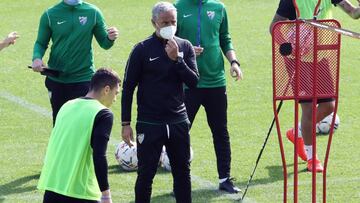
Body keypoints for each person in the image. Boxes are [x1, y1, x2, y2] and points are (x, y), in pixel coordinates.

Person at [121, 2, 199, 202]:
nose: (170, 26)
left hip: (178, 121)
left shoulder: (185, 46)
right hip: (150, 122)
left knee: (182, 173)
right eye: (165, 22)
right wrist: (125, 123)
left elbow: (193, 81)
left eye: (173, 21)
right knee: (146, 174)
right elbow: (128, 87)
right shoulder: (141, 49)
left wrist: (177, 60)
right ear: (154, 22)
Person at [270, 0, 360, 172]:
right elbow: (274, 27)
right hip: (297, 60)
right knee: (309, 108)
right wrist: (287, 46)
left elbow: (354, 13)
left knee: (329, 106)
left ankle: (296, 132)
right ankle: (312, 158)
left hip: (321, 57)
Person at [174, 0, 243, 193]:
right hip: (189, 83)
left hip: (216, 81)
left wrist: (234, 62)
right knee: (181, 133)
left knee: (220, 132)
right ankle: (180, 182)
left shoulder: (219, 8)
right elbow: (168, 41)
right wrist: (185, 50)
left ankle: (225, 179)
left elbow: (225, 38)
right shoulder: (178, 8)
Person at [37, 68, 121, 203]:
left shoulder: (67, 106)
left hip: (53, 187)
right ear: (106, 90)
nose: (115, 99)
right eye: (115, 93)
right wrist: (106, 194)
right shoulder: (103, 114)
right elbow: (99, 156)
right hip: (81, 192)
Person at [31, 0, 119, 125]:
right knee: (60, 123)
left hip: (83, 79)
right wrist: (37, 58)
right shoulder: (50, 15)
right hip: (57, 80)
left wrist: (110, 38)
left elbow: (104, 43)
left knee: (83, 124)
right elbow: (40, 43)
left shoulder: (93, 12)